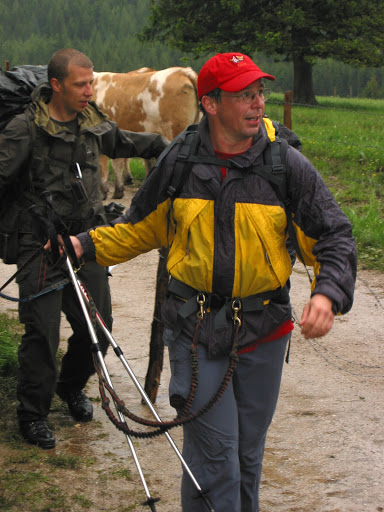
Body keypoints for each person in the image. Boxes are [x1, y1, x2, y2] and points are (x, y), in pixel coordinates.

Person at [67, 53, 356, 511]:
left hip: (265, 329)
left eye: (259, 92)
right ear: (211, 103)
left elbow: (333, 233)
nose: (258, 103)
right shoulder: (179, 161)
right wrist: (84, 245)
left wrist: (328, 292)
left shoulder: (285, 165)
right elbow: (141, 226)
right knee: (216, 455)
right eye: (244, 94)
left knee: (246, 454)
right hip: (195, 329)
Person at [0, 48, 169, 450]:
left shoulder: (94, 123)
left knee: (100, 325)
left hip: (87, 243)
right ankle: (33, 414)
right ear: (56, 84)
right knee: (42, 331)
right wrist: (29, 220)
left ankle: (70, 386)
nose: (88, 91)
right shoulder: (25, 130)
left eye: (91, 82)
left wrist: (171, 147)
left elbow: (128, 142)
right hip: (39, 246)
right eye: (80, 84)